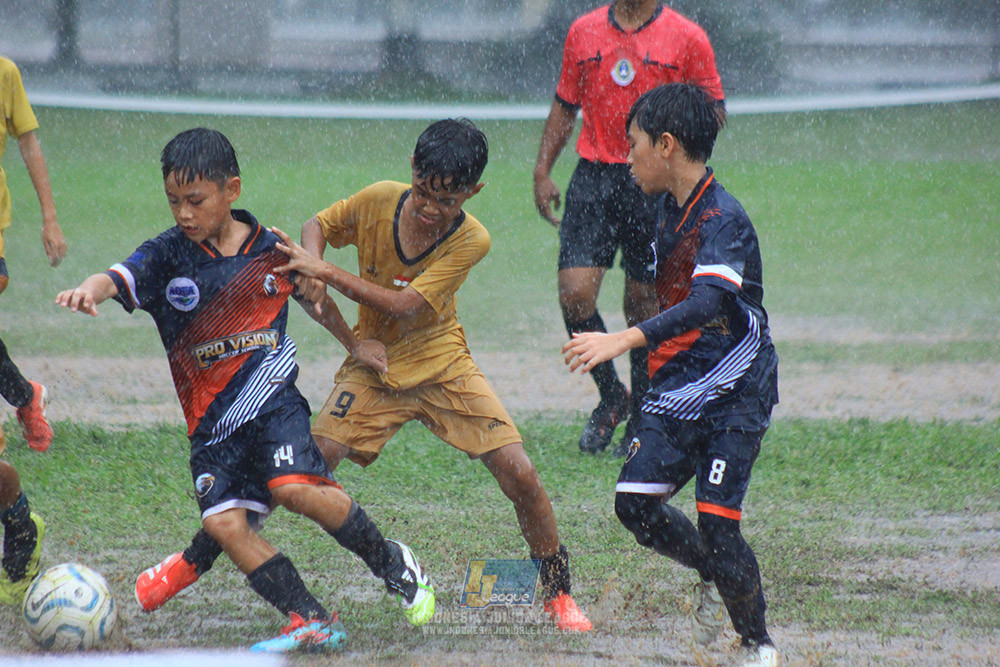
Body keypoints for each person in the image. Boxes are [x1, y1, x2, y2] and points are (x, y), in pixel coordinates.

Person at [143, 119, 593, 632]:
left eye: (447, 201)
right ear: (412, 172)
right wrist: (312, 261)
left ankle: (558, 595)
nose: (429, 208)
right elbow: (318, 226)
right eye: (423, 191)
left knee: (522, 475)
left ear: (474, 192)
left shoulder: (474, 239)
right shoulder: (380, 199)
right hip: (372, 365)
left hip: (442, 363)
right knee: (297, 472)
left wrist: (326, 273)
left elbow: (403, 304)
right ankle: (192, 559)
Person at [56, 128, 434, 653]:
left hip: (274, 402)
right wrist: (87, 290)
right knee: (227, 525)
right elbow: (116, 277)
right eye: (173, 201)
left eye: (195, 200)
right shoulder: (166, 256)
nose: (183, 213)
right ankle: (309, 617)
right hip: (212, 427)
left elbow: (315, 300)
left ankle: (392, 562)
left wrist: (354, 343)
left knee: (293, 490)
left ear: (230, 190)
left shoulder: (272, 249)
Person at [562, 83, 779, 667]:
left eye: (632, 145)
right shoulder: (656, 205)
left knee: (718, 520)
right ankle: (712, 571)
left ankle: (759, 646)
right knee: (633, 502)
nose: (625, 156)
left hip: (737, 387)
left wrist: (623, 339)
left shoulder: (722, 218)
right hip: (679, 382)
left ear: (666, 145)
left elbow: (709, 302)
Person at [534, 0, 724, 455]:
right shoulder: (582, 31)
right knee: (575, 292)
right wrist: (543, 170)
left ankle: (642, 411)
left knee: (644, 303)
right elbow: (565, 104)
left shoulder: (687, 37)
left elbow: (713, 112)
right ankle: (610, 395)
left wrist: (675, 158)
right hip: (594, 176)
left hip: (654, 183)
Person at [0, 54, 65, 606]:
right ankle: (24, 394)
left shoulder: (4, 73)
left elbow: (29, 146)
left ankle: (19, 523)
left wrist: (48, 218)